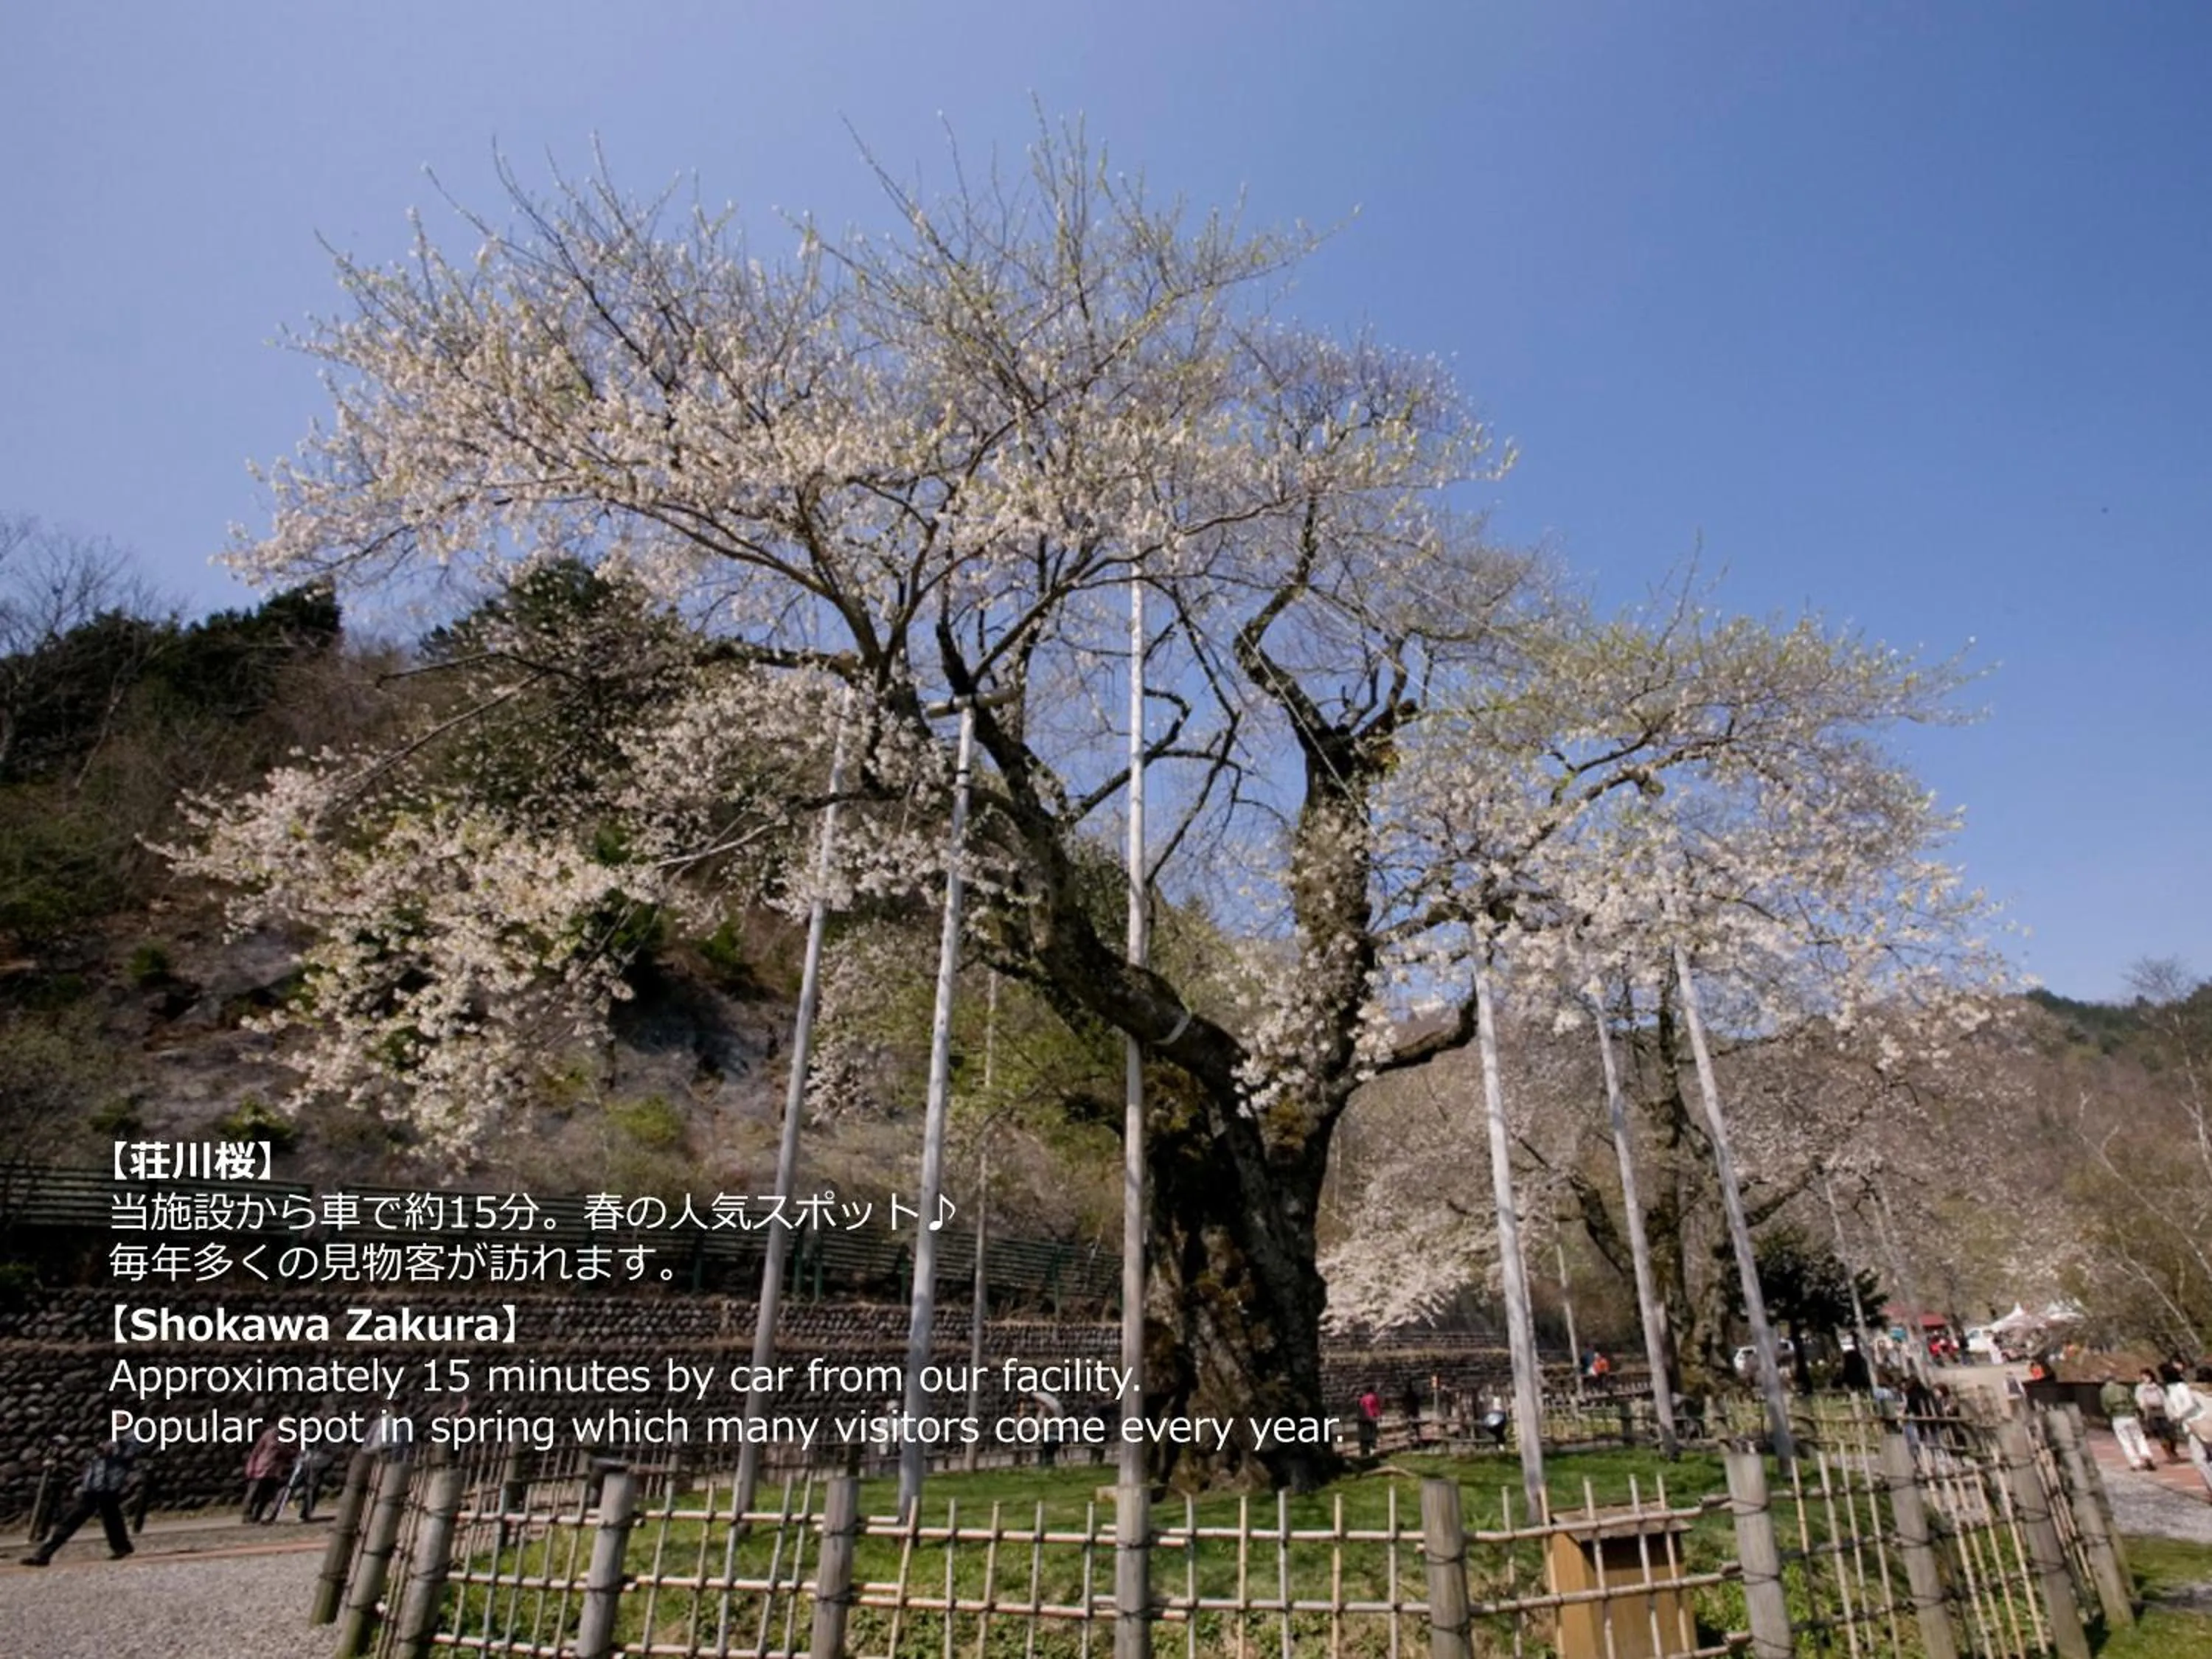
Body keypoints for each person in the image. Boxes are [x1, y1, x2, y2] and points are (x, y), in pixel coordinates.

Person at [21, 1438, 139, 1565]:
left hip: (107, 1486)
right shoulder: (105, 1437)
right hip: (94, 1487)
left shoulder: (129, 1439)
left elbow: (125, 1451)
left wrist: (112, 1448)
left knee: (81, 1519)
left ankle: (44, 1554)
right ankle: (122, 1547)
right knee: (107, 1518)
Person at [242, 1419, 294, 1524]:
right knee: (254, 1493)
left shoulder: (287, 1438)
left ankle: (257, 1516)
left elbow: (292, 1451)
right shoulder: (269, 1435)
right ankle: (247, 1515)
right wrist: (251, 1467)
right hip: (261, 1469)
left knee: (266, 1495)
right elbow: (257, 1451)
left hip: (274, 1470)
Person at [2101, 1373, 2155, 1472]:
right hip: (2130, 1416)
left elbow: (2106, 1408)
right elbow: (2134, 1402)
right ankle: (2146, 1454)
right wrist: (2139, 1412)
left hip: (2118, 1417)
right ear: (2115, 1379)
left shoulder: (2104, 1392)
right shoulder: (2124, 1388)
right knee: (2139, 1437)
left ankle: (2135, 1463)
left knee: (2125, 1441)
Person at [2137, 1368, 2177, 1463]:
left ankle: (2172, 1449)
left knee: (2170, 1433)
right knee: (2160, 1433)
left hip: (2162, 1410)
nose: (2145, 1378)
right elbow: (2140, 1400)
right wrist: (2144, 1409)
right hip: (2151, 1411)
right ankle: (2169, 1454)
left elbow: (2165, 1399)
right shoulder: (2141, 1388)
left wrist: (2170, 1411)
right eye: (2143, 1376)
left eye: (2147, 1376)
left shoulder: (2158, 1387)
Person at [1356, 1387, 1381, 1457]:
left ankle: (1365, 1452)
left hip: (1363, 1420)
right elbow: (1373, 1408)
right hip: (1368, 1419)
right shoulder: (1372, 1397)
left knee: (1364, 1437)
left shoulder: (1363, 1400)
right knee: (1371, 1435)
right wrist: (1376, 1416)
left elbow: (1368, 1408)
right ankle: (1371, 1449)